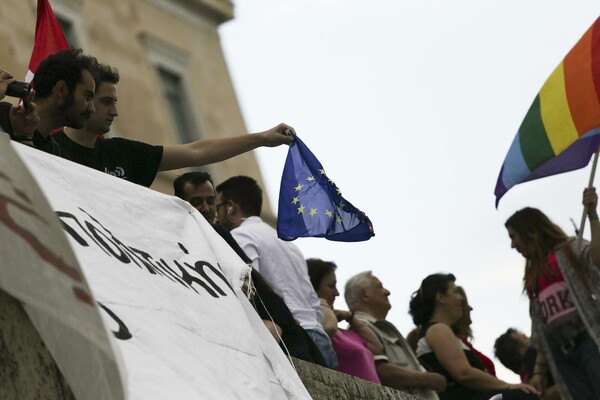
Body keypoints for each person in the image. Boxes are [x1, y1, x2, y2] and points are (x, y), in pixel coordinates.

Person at [53, 59, 293, 187]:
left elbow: (196, 152)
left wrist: (262, 138)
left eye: (115, 102)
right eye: (106, 102)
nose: (115, 111)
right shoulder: (46, 147)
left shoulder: (123, 154)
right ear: (85, 98)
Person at [173, 171, 327, 366]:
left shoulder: (224, 234)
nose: (206, 208)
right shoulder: (283, 241)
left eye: (211, 201)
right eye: (197, 202)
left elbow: (249, 280)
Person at [214, 175, 338, 369]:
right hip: (318, 338)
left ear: (230, 207)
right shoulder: (284, 241)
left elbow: (250, 285)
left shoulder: (240, 236)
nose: (215, 215)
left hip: (293, 340)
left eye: (217, 207)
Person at [505, 187, 600, 400]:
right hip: (562, 355)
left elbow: (597, 261)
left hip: (590, 340)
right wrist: (539, 370)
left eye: (514, 236)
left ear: (530, 231)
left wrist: (593, 214)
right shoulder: (532, 277)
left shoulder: (568, 250)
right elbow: (540, 327)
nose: (512, 245)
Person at [409, 273, 539, 400]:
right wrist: (508, 386)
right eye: (455, 292)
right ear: (441, 297)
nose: (461, 298)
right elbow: (463, 373)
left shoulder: (440, 331)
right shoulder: (438, 330)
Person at [344, 271, 446, 400]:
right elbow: (377, 371)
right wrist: (428, 379)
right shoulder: (360, 328)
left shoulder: (380, 328)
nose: (387, 291)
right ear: (364, 294)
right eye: (379, 286)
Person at [306, 258, 382, 383]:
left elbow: (376, 347)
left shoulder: (342, 333)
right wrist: (321, 304)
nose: (336, 293)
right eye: (331, 286)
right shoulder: (317, 330)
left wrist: (351, 317)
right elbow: (329, 329)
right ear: (312, 287)